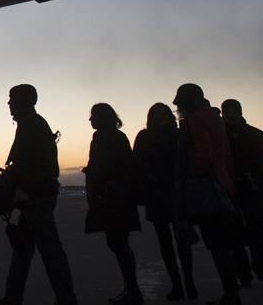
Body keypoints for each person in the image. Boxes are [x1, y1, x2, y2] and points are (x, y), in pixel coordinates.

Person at [0, 84, 77, 305]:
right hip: (33, 198)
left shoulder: (31, 125)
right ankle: (13, 296)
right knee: (23, 250)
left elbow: (43, 168)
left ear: (23, 102)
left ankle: (66, 299)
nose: (9, 104)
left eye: (12, 99)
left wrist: (23, 189)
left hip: (36, 199)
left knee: (50, 252)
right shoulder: (30, 124)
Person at [173, 83, 240, 305]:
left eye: (179, 103)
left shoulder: (196, 120)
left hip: (207, 189)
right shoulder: (214, 118)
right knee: (222, 243)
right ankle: (232, 292)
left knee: (217, 244)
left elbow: (203, 156)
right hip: (221, 184)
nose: (177, 107)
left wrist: (192, 178)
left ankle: (231, 295)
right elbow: (223, 154)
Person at [133, 103, 198, 300]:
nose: (160, 117)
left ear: (169, 116)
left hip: (178, 193)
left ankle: (188, 281)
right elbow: (136, 163)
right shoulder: (145, 136)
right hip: (157, 195)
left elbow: (191, 161)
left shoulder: (180, 134)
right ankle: (177, 284)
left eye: (164, 114)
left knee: (183, 240)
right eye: (156, 115)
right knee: (165, 242)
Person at [84, 103, 142, 305]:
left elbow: (107, 168)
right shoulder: (117, 136)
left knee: (119, 244)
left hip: (113, 200)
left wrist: (96, 179)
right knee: (119, 244)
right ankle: (132, 289)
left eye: (93, 116)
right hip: (118, 199)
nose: (90, 120)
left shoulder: (103, 137)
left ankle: (133, 291)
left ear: (102, 118)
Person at [221, 98, 263, 287]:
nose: (230, 115)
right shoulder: (220, 137)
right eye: (226, 112)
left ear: (240, 112)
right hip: (229, 191)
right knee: (233, 236)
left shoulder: (256, 135)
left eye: (233, 111)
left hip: (252, 192)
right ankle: (244, 275)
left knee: (258, 234)